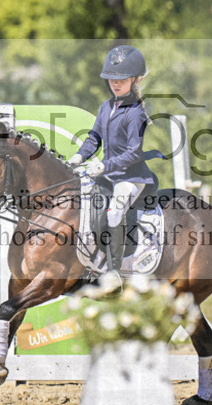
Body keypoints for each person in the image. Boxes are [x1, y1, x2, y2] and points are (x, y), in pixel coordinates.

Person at [67, 45, 156, 273]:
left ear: (136, 80)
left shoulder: (135, 113)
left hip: (131, 177)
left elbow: (134, 152)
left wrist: (103, 165)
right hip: (108, 174)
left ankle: (114, 272)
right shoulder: (106, 107)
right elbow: (94, 137)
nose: (115, 84)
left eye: (122, 80)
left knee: (115, 212)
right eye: (112, 79)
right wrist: (79, 156)